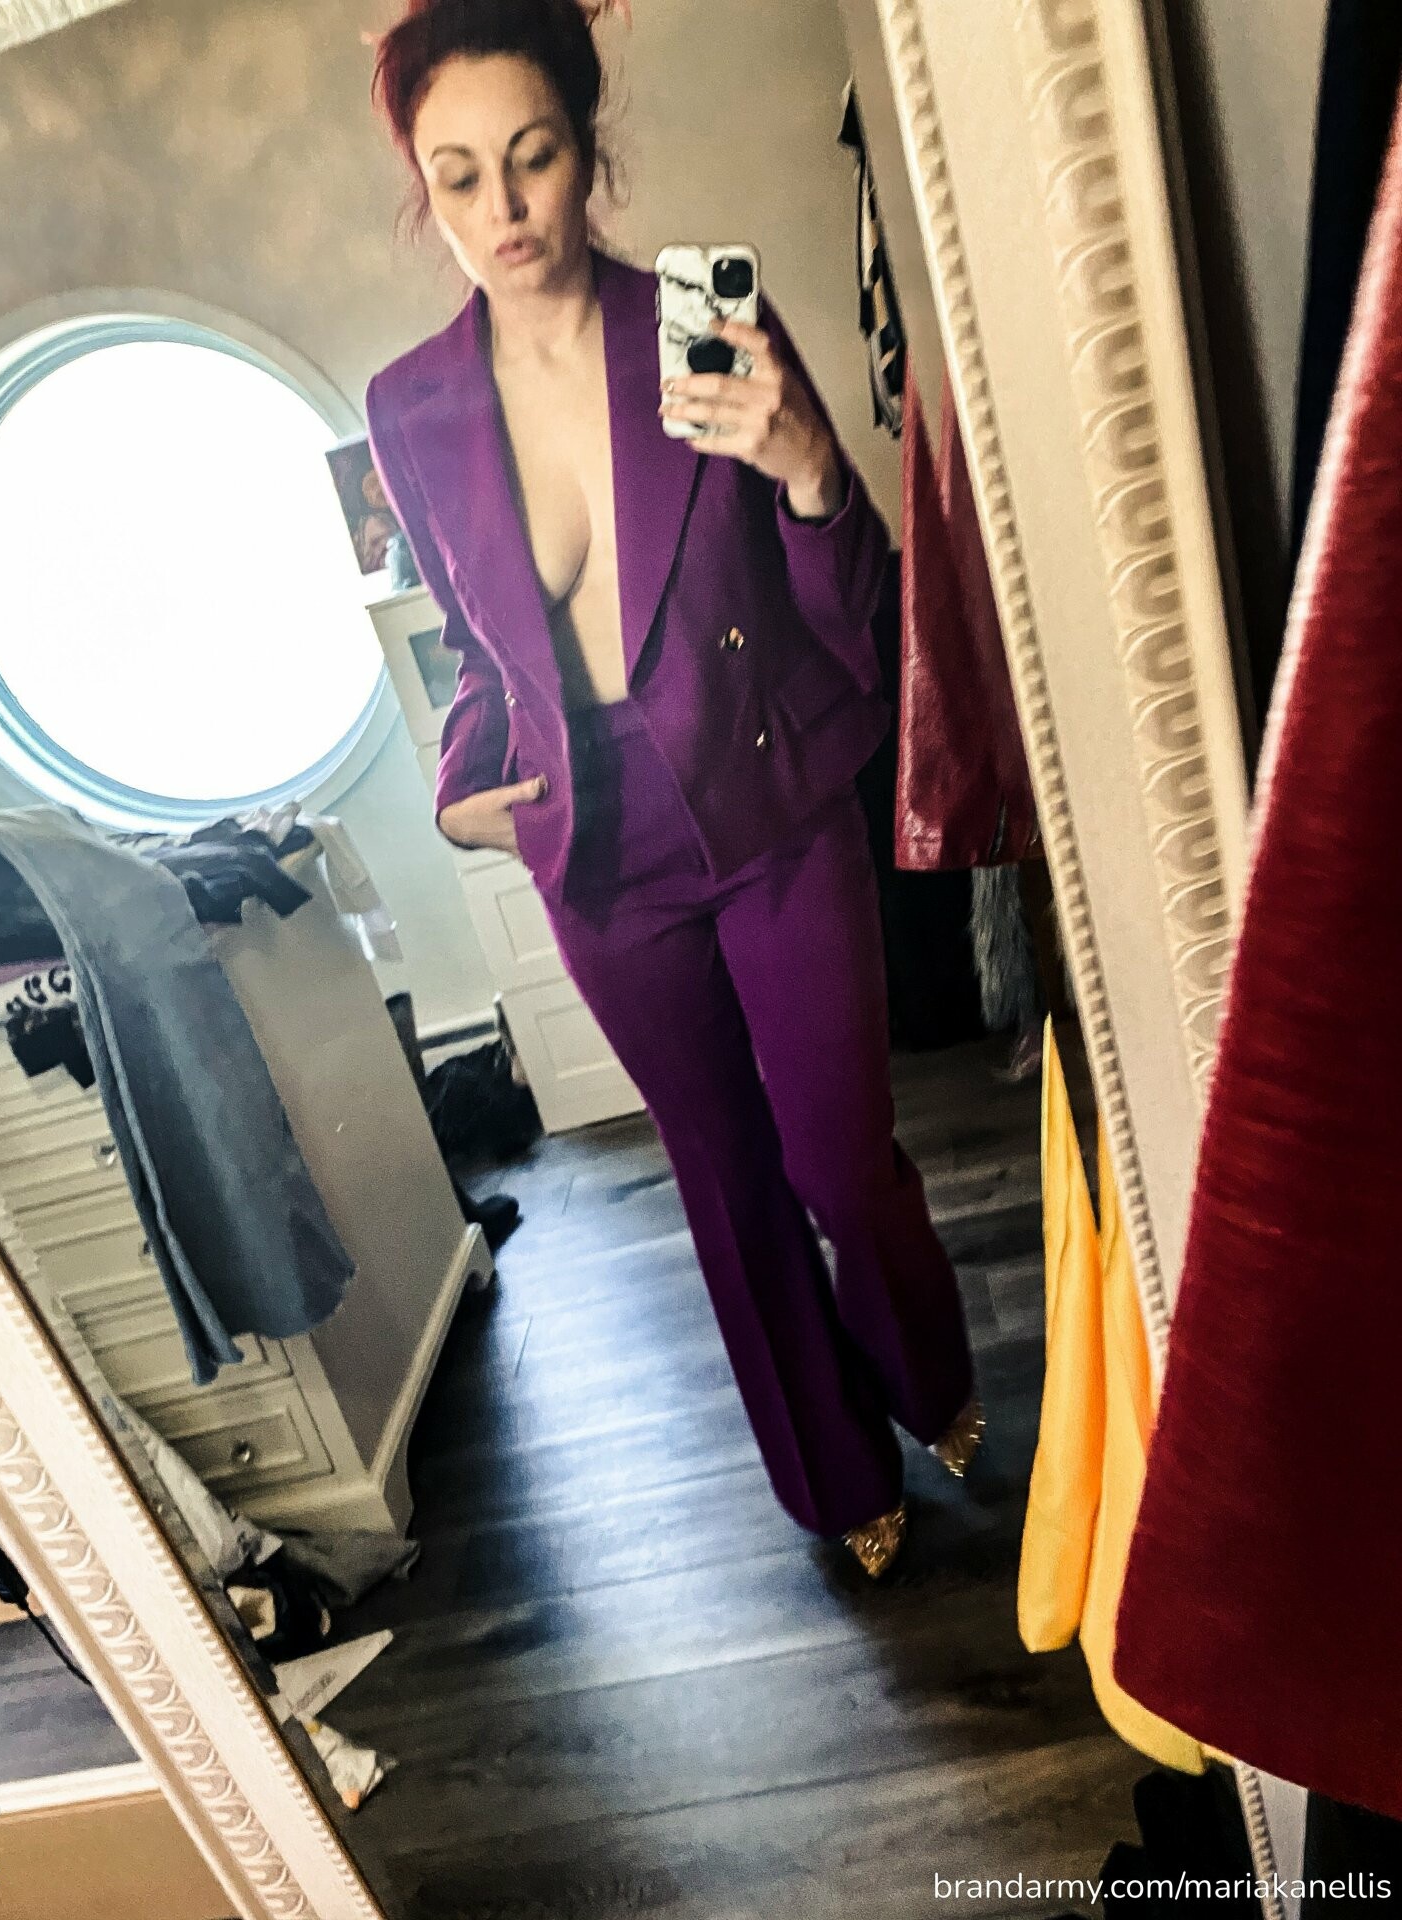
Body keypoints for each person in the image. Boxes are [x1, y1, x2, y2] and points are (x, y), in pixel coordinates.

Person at [365, 0, 983, 1577]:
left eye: (532, 157)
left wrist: (813, 471)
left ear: (588, 149)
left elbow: (859, 621)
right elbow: (480, 652)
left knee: (841, 1161)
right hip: (601, 853)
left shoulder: (701, 325)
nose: (503, 210)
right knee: (726, 1184)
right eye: (458, 177)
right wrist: (460, 793)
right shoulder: (409, 410)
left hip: (772, 808)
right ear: (425, 191)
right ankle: (837, 1480)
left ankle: (931, 1378)